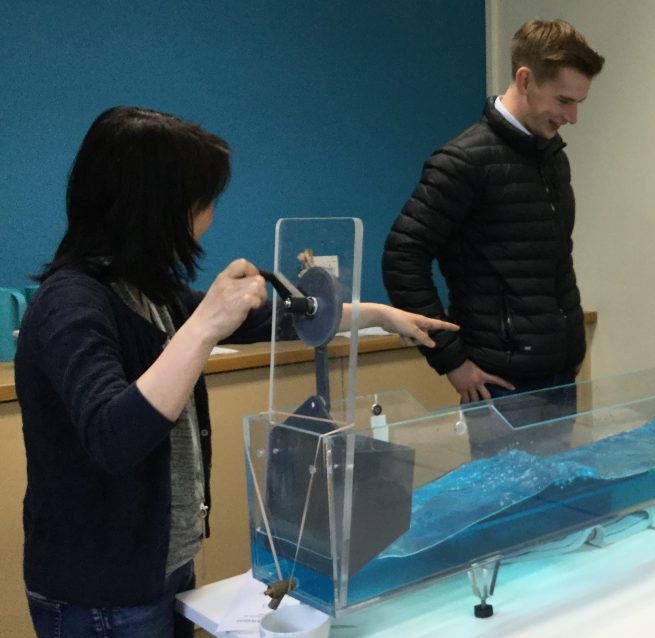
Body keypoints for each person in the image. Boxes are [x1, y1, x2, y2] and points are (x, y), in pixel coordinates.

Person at [16, 106, 456, 638]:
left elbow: (269, 320)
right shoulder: (70, 304)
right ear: (152, 207)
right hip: (101, 593)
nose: (210, 218)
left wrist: (378, 316)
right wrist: (203, 327)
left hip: (162, 569)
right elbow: (113, 435)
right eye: (202, 203)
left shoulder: (146, 291)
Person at [382, 18, 604, 419]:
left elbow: (557, 263)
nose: (572, 117)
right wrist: (452, 363)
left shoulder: (554, 159)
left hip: (561, 372)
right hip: (498, 382)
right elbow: (403, 257)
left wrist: (573, 348)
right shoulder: (463, 160)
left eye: (578, 103)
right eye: (564, 101)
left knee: (565, 483)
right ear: (525, 79)